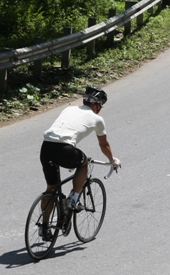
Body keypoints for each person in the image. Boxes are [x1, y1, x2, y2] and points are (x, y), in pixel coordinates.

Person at [40, 86, 121, 224]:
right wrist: (112, 160)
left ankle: (44, 226)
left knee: (51, 188)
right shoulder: (97, 119)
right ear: (98, 105)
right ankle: (73, 199)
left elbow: (65, 132)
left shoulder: (68, 109)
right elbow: (104, 145)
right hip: (65, 149)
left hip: (46, 147)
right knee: (84, 162)